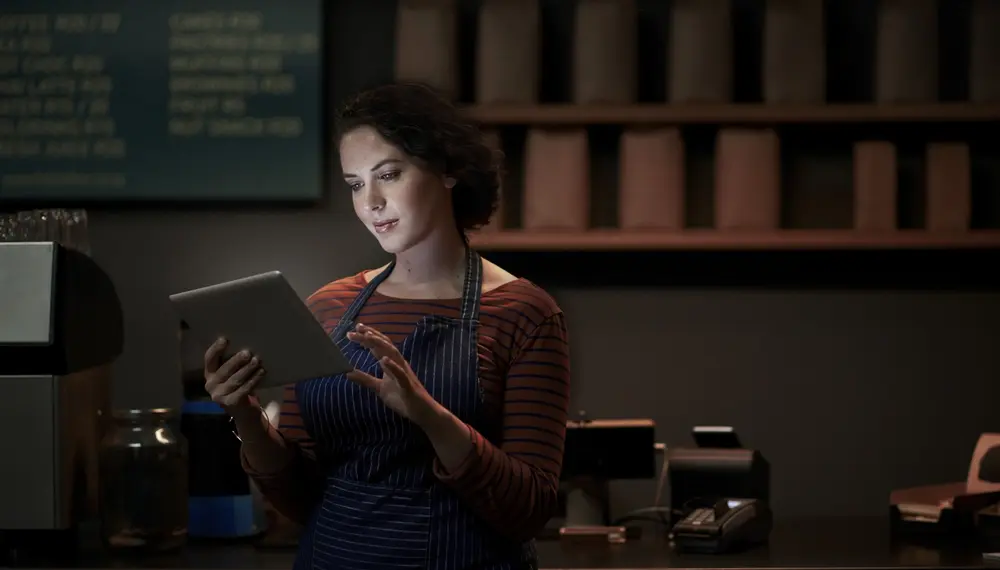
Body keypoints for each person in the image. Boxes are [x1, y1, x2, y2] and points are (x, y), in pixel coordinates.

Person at [202, 82, 571, 570]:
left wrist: (430, 416)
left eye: (389, 174)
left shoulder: (524, 313)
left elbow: (529, 510)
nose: (370, 201)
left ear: (448, 170)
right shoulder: (329, 307)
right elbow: (299, 500)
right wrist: (245, 415)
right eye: (355, 184)